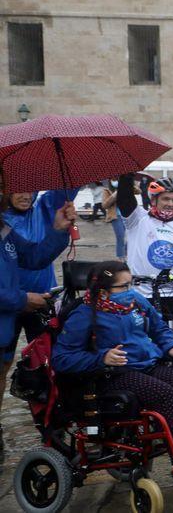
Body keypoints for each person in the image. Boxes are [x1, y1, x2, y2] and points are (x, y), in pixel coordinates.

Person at [51, 261, 173, 486]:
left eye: (130, 284)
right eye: (123, 286)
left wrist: (171, 346)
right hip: (111, 376)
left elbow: (158, 328)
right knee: (163, 393)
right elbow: (61, 358)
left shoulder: (135, 302)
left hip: (145, 366)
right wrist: (100, 358)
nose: (129, 291)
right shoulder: (84, 315)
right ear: (103, 290)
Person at [0, 186, 74, 451]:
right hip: (9, 310)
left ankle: (52, 424)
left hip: (24, 310)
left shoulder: (4, 231)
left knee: (47, 363)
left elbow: (34, 256)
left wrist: (58, 229)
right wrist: (21, 299)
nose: (23, 194)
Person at [116, 174, 173, 339]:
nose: (170, 204)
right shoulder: (137, 218)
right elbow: (124, 199)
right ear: (153, 200)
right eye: (166, 199)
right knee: (144, 340)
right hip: (143, 293)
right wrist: (126, 174)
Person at [100, 181, 126, 260]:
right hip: (116, 216)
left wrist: (128, 184)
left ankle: (128, 254)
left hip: (127, 216)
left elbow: (139, 191)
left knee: (130, 238)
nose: (116, 180)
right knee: (120, 237)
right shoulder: (107, 190)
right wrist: (114, 195)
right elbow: (104, 205)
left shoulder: (125, 188)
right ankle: (121, 258)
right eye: (114, 179)